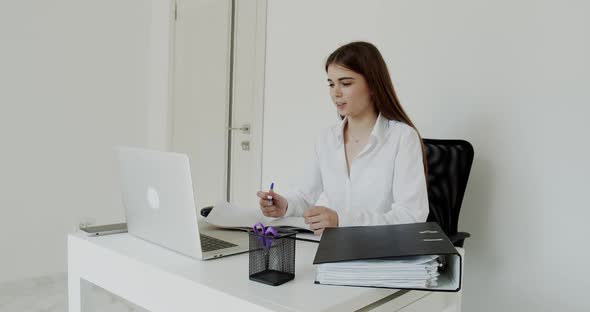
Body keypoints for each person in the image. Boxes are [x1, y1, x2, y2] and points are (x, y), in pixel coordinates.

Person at [256, 41, 429, 235]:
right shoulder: (327, 139)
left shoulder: (402, 138)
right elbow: (305, 196)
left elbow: (411, 216)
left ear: (373, 85)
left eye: (345, 83)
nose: (336, 93)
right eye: (331, 84)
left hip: (384, 253)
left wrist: (342, 220)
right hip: (335, 252)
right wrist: (284, 205)